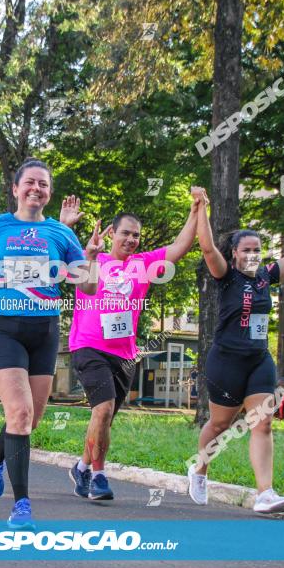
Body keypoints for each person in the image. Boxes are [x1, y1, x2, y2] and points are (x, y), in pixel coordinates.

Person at [0, 158, 99, 530]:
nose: (36, 188)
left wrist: (92, 260)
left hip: (44, 331)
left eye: (44, 184)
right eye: (29, 183)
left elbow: (87, 287)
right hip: (1, 327)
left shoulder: (61, 235)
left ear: (49, 193)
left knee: (31, 418)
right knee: (18, 413)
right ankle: (21, 506)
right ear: (16, 189)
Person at [187, 187, 284, 514]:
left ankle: (265, 493)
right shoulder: (225, 276)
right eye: (246, 250)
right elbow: (207, 247)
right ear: (235, 254)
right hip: (226, 361)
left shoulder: (267, 277)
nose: (253, 255)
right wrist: (202, 206)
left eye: (258, 250)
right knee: (220, 425)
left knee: (262, 423)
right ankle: (200, 469)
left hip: (258, 360)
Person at [66, 188, 200, 501]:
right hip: (88, 347)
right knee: (104, 408)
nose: (131, 239)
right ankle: (99, 475)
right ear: (112, 232)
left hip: (124, 354)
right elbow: (80, 277)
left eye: (136, 235)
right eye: (126, 233)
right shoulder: (91, 258)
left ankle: (82, 467)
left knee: (104, 418)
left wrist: (195, 210)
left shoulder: (144, 264)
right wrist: (85, 250)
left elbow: (182, 246)